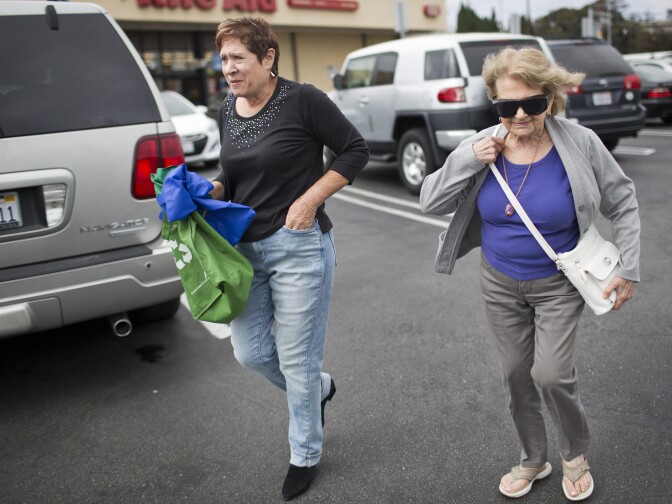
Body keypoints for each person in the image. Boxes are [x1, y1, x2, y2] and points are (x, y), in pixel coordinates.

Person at [420, 47, 639, 501]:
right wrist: (468, 160)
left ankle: (574, 453)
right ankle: (533, 458)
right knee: (517, 376)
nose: (519, 115)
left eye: (532, 104)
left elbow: (623, 199)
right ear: (494, 103)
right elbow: (430, 201)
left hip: (559, 283)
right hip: (499, 282)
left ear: (551, 99)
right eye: (506, 106)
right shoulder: (481, 145)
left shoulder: (579, 143)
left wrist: (630, 268)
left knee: (552, 374)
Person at [210, 17, 369, 501]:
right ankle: (319, 389)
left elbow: (354, 151)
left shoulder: (304, 100)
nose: (229, 69)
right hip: (245, 250)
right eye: (224, 60)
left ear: (268, 57)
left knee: (297, 360)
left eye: (239, 58)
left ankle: (305, 453)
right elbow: (233, 172)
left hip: (298, 246)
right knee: (251, 351)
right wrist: (211, 190)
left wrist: (309, 200)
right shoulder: (227, 109)